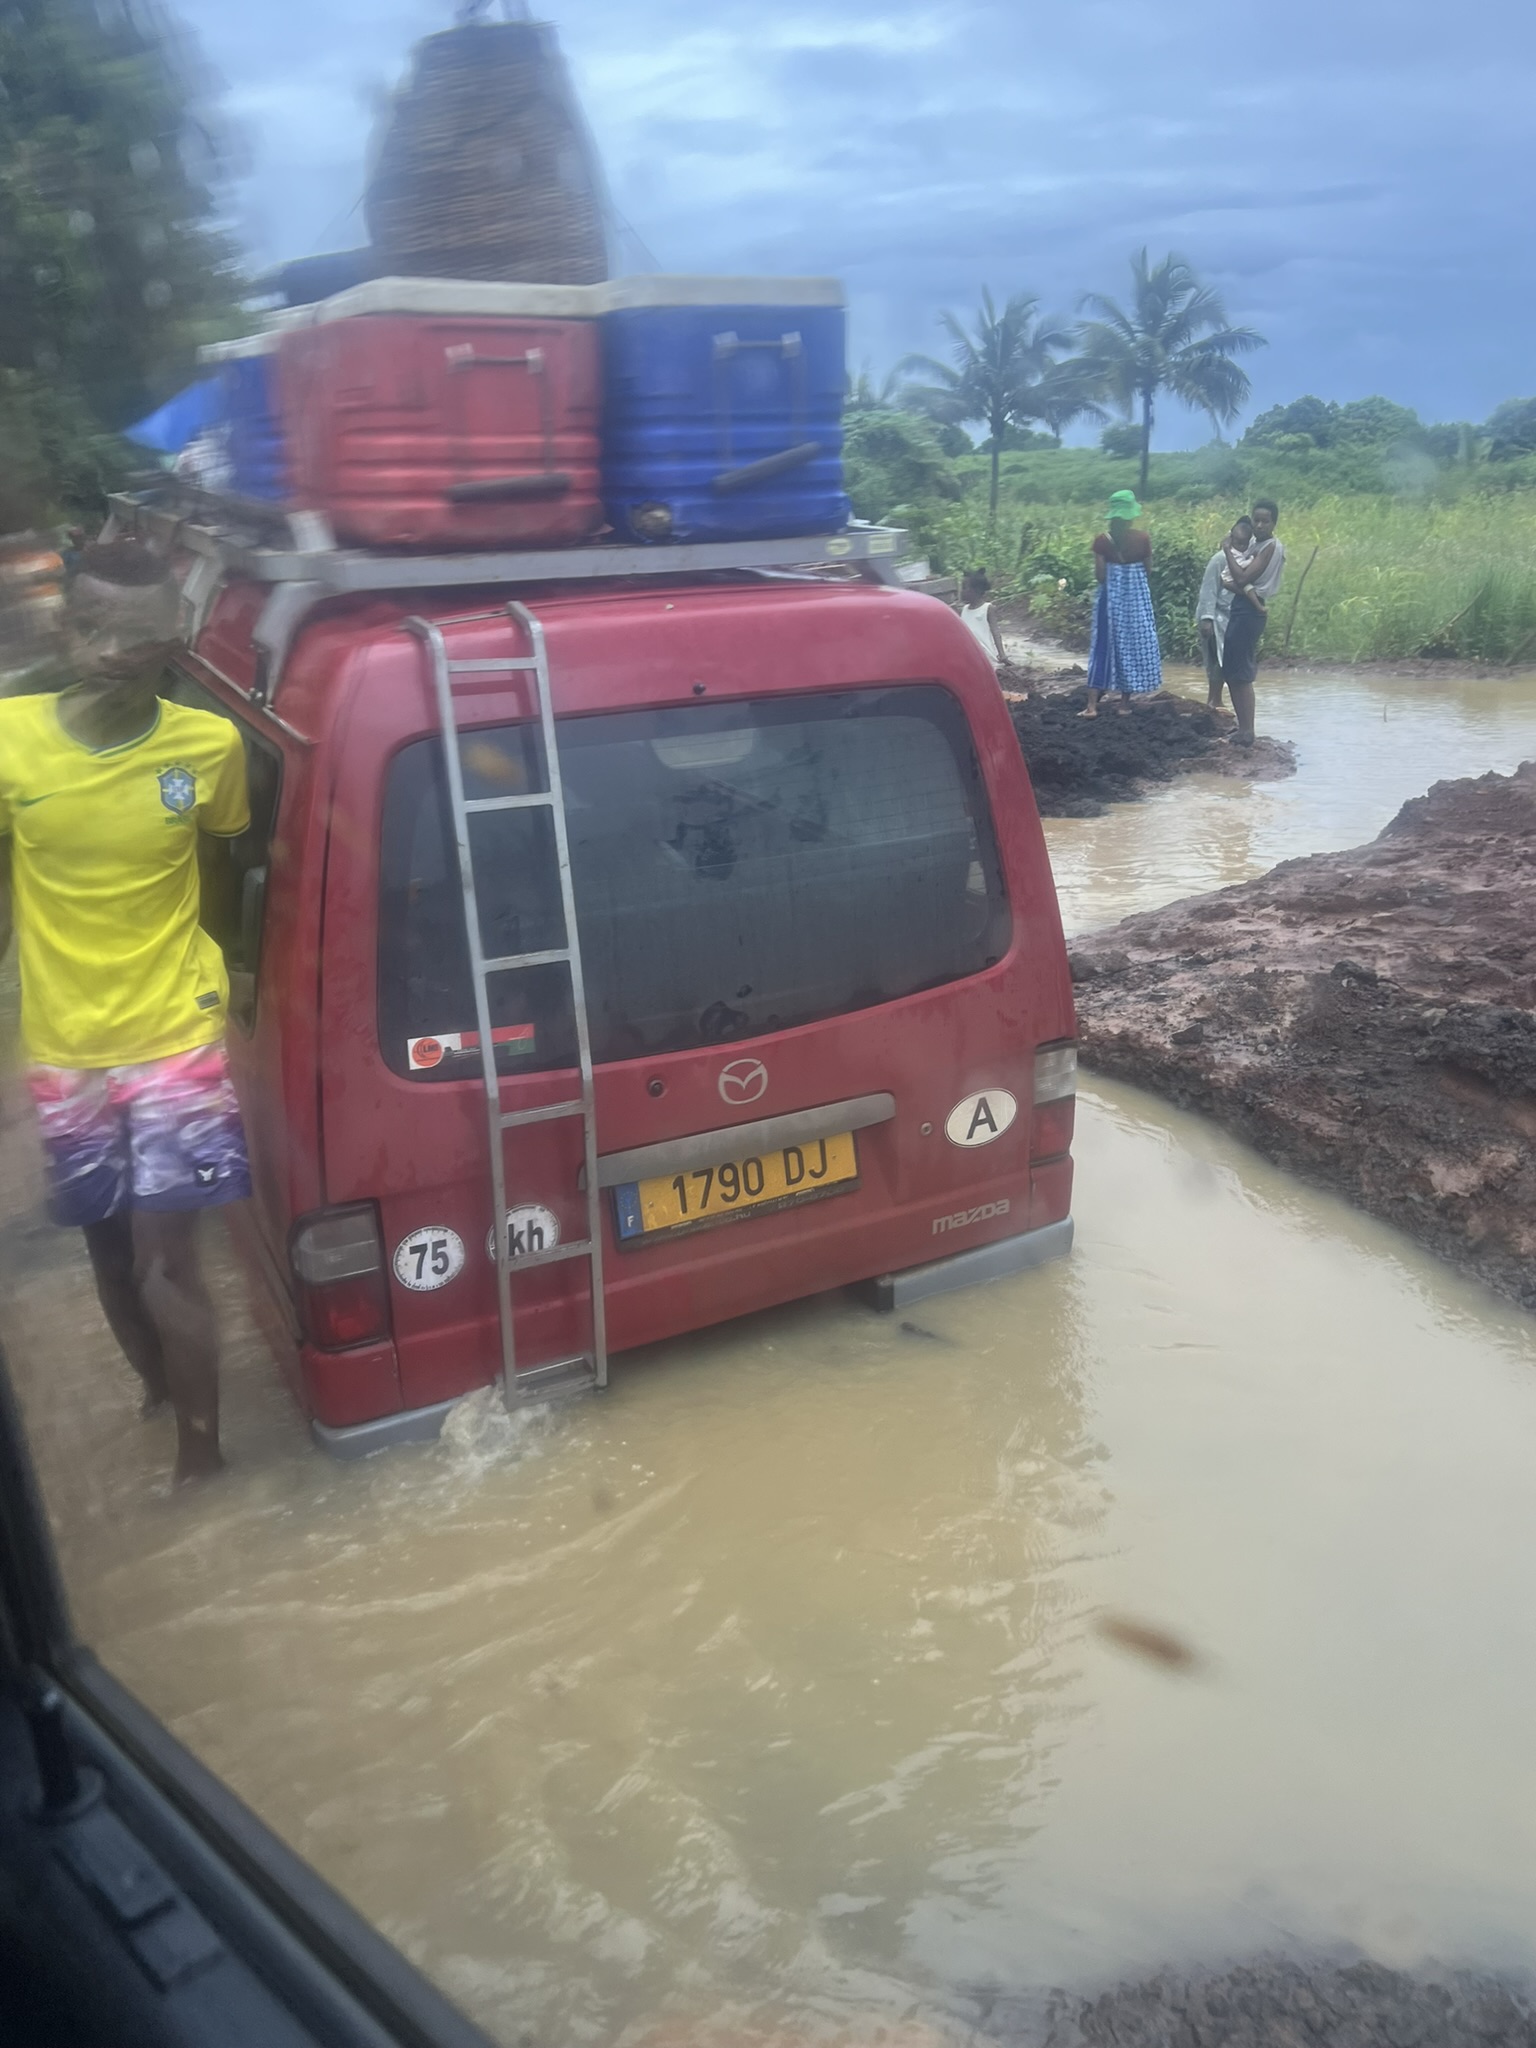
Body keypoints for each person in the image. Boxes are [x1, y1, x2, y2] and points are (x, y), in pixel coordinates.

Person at [0, 540, 252, 1485]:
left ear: (172, 644)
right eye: (94, 628)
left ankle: (202, 1460)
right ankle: (158, 1392)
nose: (113, 651)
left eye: (137, 637)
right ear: (64, 627)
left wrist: (229, 985)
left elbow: (221, 865)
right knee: (106, 1250)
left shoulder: (204, 746)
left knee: (166, 1259)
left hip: (175, 1036)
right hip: (66, 1046)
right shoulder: (8, 737)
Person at [1081, 489, 1162, 717]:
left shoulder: (1101, 541)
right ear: (1130, 516)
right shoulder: (1142, 539)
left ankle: (1091, 706)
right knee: (1131, 646)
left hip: (1109, 603)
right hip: (1135, 601)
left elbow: (1100, 576)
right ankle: (1124, 704)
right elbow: (1148, 570)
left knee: (1101, 647)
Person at [1219, 498, 1286, 747]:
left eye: (1264, 521)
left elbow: (1244, 576)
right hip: (1245, 607)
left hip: (1249, 609)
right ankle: (1244, 728)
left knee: (1241, 671)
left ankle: (1247, 731)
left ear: (1273, 523)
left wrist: (1227, 550)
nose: (1259, 525)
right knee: (1234, 669)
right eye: (1256, 520)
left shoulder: (1269, 547)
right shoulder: (1257, 545)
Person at [1195, 515, 1254, 708]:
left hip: (1235, 619)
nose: (1241, 547)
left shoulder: (1252, 560)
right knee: (1215, 661)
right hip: (1216, 617)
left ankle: (1219, 702)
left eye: (1244, 543)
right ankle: (1214, 700)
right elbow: (1208, 589)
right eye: (1237, 542)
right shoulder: (1220, 559)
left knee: (1232, 662)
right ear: (1230, 539)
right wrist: (1206, 619)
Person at [957, 568, 1005, 670]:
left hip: (985, 657)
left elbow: (995, 632)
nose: (961, 592)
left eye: (965, 588)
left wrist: (1002, 654)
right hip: (969, 658)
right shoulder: (964, 610)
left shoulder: (987, 608)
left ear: (977, 590)